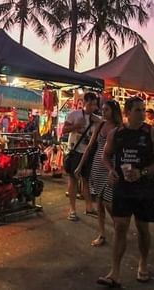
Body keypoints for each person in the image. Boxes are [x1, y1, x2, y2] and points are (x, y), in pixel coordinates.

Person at [97, 97, 154, 288]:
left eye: (144, 109)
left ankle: (143, 263)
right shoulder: (116, 134)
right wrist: (111, 170)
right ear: (127, 112)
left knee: (143, 228)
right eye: (138, 110)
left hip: (144, 189)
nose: (143, 113)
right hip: (122, 188)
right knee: (120, 227)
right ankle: (115, 272)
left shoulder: (152, 133)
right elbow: (105, 155)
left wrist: (142, 172)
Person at [76, 100, 122, 247]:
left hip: (111, 166)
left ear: (114, 111)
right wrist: (80, 165)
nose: (103, 112)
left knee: (109, 203)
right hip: (97, 165)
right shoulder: (101, 125)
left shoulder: (120, 128)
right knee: (100, 204)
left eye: (106, 110)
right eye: (102, 110)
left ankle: (119, 230)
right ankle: (102, 234)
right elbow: (90, 147)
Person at [63, 92, 100, 220]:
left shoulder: (96, 118)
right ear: (83, 103)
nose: (92, 107)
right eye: (90, 104)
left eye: (95, 104)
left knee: (86, 180)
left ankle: (89, 207)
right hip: (75, 151)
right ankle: (72, 210)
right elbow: (64, 130)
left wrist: (99, 122)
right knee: (73, 179)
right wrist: (76, 126)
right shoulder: (74, 114)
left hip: (88, 152)